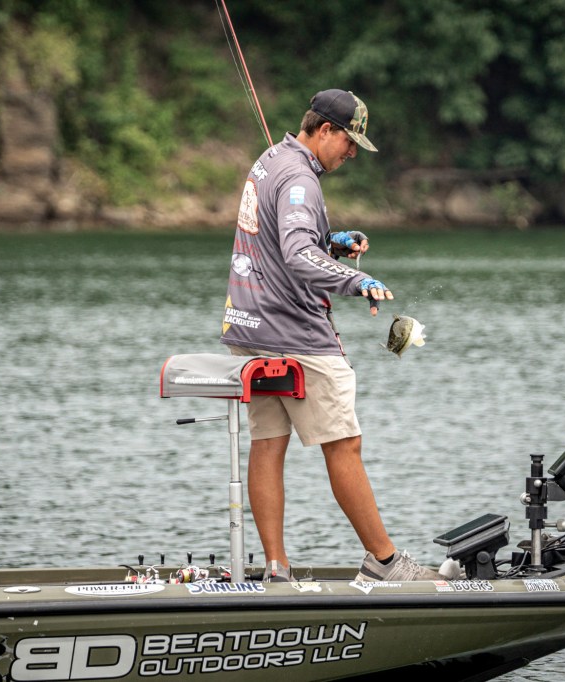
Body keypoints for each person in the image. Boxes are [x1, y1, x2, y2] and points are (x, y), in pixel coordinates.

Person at [220, 88, 440, 583]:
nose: (352, 153)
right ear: (324, 130)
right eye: (349, 142)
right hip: (295, 333)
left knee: (267, 443)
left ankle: (276, 567)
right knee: (344, 444)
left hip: (248, 327)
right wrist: (357, 280)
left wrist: (331, 242)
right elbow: (298, 255)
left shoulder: (270, 161)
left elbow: (286, 240)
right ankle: (385, 562)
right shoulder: (301, 178)